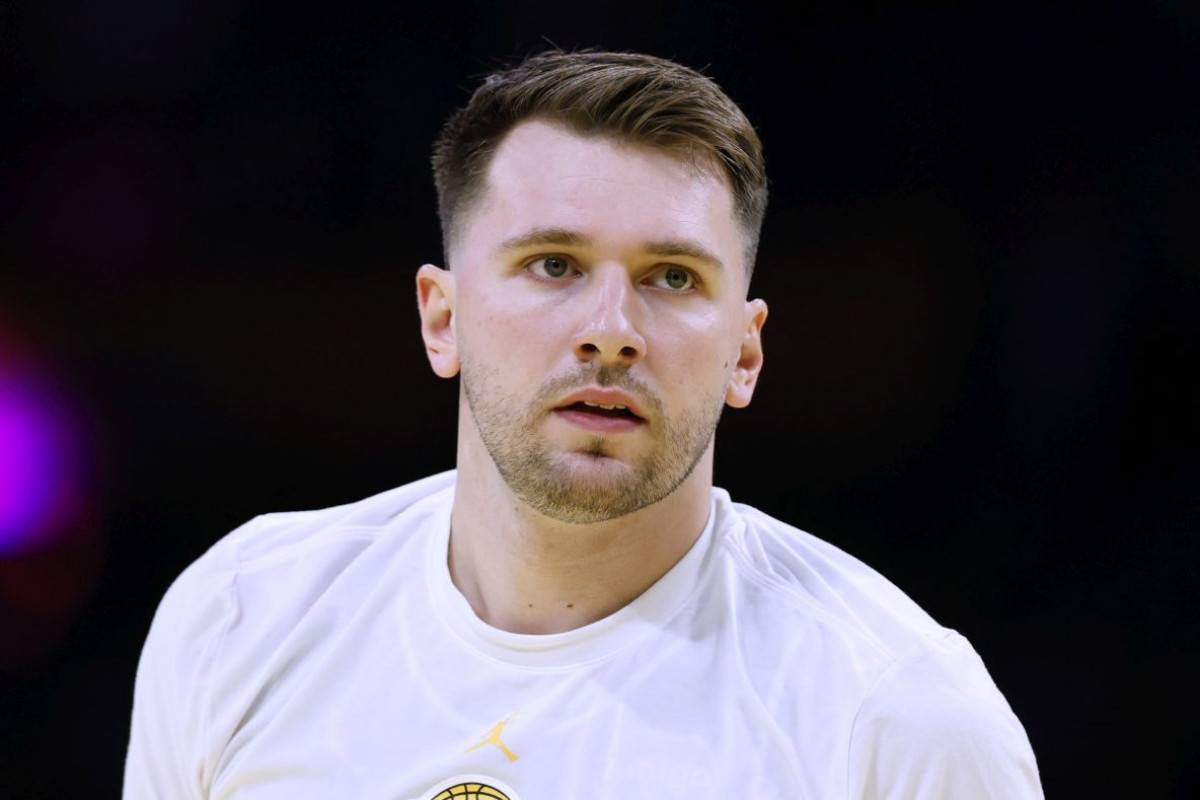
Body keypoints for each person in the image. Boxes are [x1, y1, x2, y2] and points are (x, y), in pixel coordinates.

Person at [124, 48, 1044, 799]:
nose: (611, 330)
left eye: (672, 277)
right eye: (554, 265)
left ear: (746, 352)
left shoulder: (898, 720)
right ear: (443, 318)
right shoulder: (239, 621)